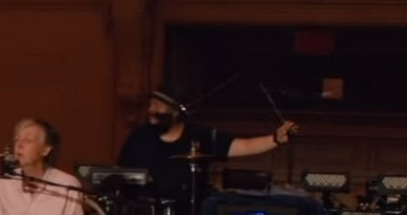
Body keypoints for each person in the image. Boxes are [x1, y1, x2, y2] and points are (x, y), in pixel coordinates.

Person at [117, 85, 298, 203]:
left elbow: (242, 146)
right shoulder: (140, 137)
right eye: (150, 105)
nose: (151, 110)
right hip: (144, 211)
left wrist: (275, 139)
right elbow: (120, 175)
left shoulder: (199, 135)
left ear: (176, 110)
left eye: (157, 106)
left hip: (190, 211)